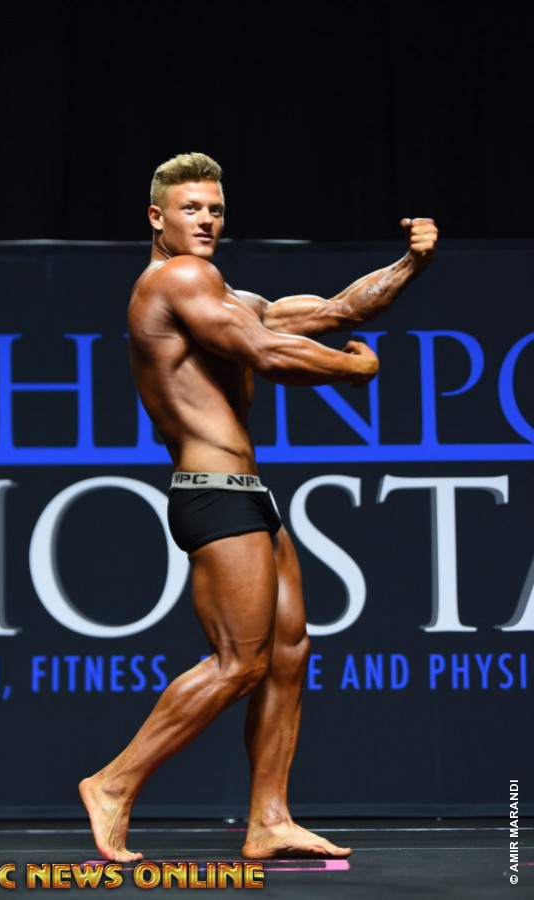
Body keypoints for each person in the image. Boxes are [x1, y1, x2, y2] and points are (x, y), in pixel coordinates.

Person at [79, 152, 438, 862]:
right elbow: (266, 353)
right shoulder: (177, 281)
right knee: (238, 663)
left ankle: (269, 819)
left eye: (214, 209)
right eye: (190, 209)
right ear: (156, 217)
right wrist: (354, 368)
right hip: (212, 491)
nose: (205, 220)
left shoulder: (225, 294)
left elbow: (337, 310)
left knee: (287, 652)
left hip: (250, 495)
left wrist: (410, 264)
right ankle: (113, 783)